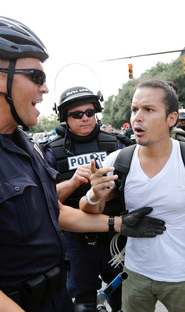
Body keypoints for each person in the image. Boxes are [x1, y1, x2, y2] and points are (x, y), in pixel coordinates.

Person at [0, 16, 165, 312]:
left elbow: (54, 210)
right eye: (36, 77)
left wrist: (117, 223)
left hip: (53, 296)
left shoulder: (21, 141)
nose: (45, 89)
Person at [80, 79, 185, 312]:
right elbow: (88, 209)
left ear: (171, 118)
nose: (138, 117)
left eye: (148, 110)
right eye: (135, 109)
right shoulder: (118, 161)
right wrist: (95, 194)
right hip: (136, 276)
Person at [42, 86, 125, 312]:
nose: (85, 118)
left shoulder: (117, 144)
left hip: (114, 237)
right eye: (77, 114)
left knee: (125, 296)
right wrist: (72, 183)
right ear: (64, 118)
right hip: (76, 240)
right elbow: (44, 199)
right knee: (82, 301)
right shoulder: (50, 152)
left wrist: (114, 190)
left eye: (89, 112)